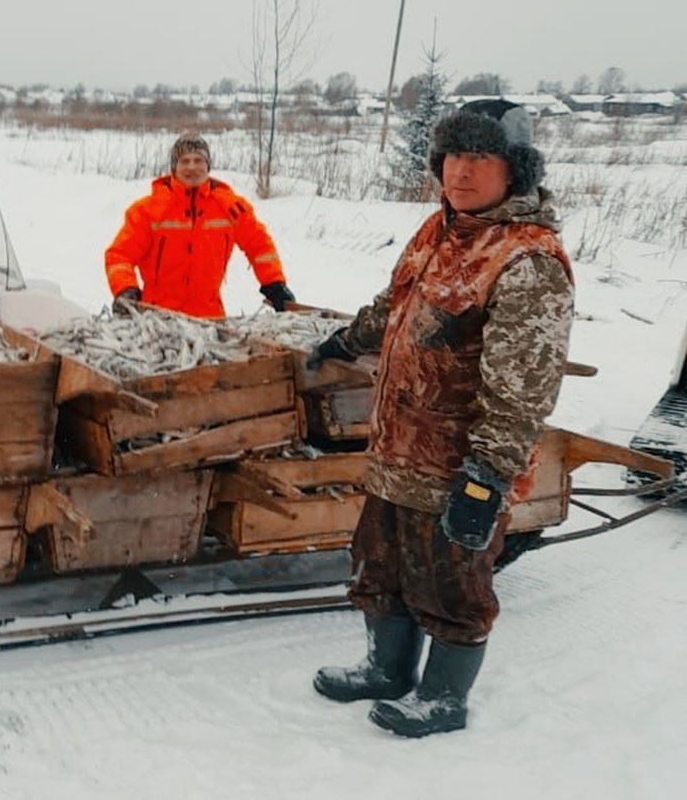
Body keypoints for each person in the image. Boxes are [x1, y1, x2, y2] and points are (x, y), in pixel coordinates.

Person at [308, 99, 574, 738]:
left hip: (457, 465)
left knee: (453, 585)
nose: (462, 170)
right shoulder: (438, 229)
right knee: (380, 566)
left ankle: (443, 699)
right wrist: (348, 339)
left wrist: (485, 477)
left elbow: (521, 390)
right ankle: (387, 671)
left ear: (516, 168)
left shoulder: (526, 260)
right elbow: (396, 303)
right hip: (395, 451)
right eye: (454, 154)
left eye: (481, 156)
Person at [104, 134, 294, 318]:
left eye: (198, 160)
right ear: (174, 167)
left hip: (211, 320)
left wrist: (274, 284)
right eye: (184, 161)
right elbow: (119, 255)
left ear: (208, 165)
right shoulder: (147, 210)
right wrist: (125, 290)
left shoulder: (231, 207)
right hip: (156, 318)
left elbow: (259, 245)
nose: (192, 167)